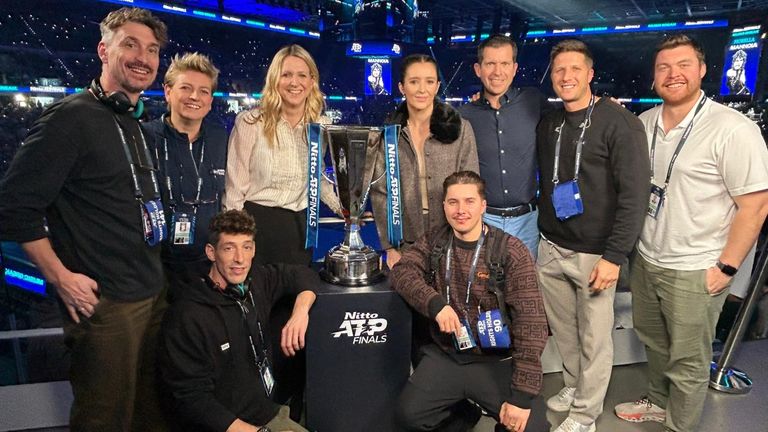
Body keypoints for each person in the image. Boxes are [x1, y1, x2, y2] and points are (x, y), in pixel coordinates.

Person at [0, 7, 169, 431]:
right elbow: (13, 208)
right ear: (103, 50)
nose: (143, 57)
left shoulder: (134, 120)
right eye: (130, 45)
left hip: (151, 293)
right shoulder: (69, 118)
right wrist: (60, 277)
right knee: (104, 420)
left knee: (148, 416)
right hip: (106, 307)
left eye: (152, 49)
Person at [614, 34, 768, 432]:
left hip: (697, 266)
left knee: (688, 359)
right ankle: (658, 402)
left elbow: (755, 205)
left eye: (683, 65)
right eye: (663, 67)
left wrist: (727, 267)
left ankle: (679, 426)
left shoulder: (732, 128)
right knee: (654, 341)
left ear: (701, 70)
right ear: (654, 76)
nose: (673, 74)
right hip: (648, 258)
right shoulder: (644, 123)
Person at [536, 39, 650, 432]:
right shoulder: (549, 123)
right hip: (552, 246)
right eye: (559, 70)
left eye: (574, 69)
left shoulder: (620, 122)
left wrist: (614, 256)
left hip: (595, 254)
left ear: (590, 74)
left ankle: (585, 415)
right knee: (565, 332)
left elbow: (635, 196)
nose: (566, 76)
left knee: (595, 339)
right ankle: (573, 385)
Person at [223, 43, 340, 419]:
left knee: (296, 324)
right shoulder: (250, 123)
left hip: (300, 231)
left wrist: (347, 206)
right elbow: (235, 190)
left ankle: (290, 408)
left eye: (302, 75)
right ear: (275, 79)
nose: (294, 81)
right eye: (287, 74)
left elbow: (317, 180)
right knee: (257, 324)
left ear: (312, 81)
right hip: (258, 229)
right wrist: (234, 245)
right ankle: (254, 409)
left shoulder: (317, 127)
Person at [390, 170, 549, 432]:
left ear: (483, 205)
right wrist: (435, 304)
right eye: (453, 202)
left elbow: (531, 325)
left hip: (497, 361)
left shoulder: (511, 251)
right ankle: (463, 415)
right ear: (444, 206)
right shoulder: (434, 241)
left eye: (469, 201)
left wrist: (521, 397)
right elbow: (402, 272)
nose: (461, 210)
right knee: (408, 417)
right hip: (448, 356)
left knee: (532, 427)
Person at [159, 210, 316, 432]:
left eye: (246, 247)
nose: (240, 259)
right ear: (211, 252)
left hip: (267, 414)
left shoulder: (258, 281)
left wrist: (300, 312)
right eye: (229, 248)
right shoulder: (187, 315)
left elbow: (303, 275)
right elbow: (191, 400)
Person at [372, 53, 479, 269]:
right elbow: (381, 193)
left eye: (429, 82)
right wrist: (390, 248)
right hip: (405, 241)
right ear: (402, 87)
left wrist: (468, 239)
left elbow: (471, 188)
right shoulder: (390, 135)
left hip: (453, 238)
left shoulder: (461, 129)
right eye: (414, 82)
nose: (422, 89)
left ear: (437, 86)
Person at [458, 34, 551, 257]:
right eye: (490, 64)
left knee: (525, 280)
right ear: (478, 69)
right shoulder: (464, 115)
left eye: (505, 64)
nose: (497, 72)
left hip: (527, 222)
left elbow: (571, 118)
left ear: (515, 68)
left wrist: (599, 106)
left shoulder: (533, 101)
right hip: (483, 221)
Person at [143, 52, 227, 293]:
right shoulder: (144, 137)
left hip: (206, 267)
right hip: (154, 268)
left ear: (210, 100)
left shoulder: (221, 138)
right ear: (168, 92)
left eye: (203, 91)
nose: (194, 97)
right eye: (186, 88)